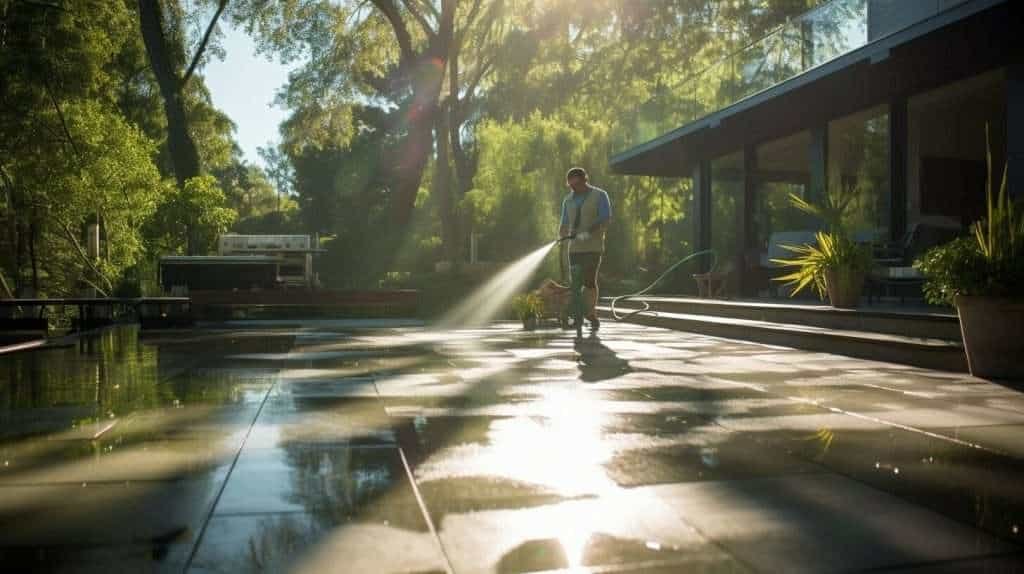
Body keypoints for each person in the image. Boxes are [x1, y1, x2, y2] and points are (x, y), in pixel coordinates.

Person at [559, 167, 611, 335]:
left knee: (589, 280)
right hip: (574, 248)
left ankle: (590, 313)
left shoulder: (600, 195)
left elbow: (605, 218)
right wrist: (562, 234)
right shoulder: (568, 200)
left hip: (593, 247)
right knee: (576, 283)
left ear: (584, 180)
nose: (574, 188)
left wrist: (587, 232)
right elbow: (564, 222)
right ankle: (579, 313)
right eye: (571, 185)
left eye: (577, 184)